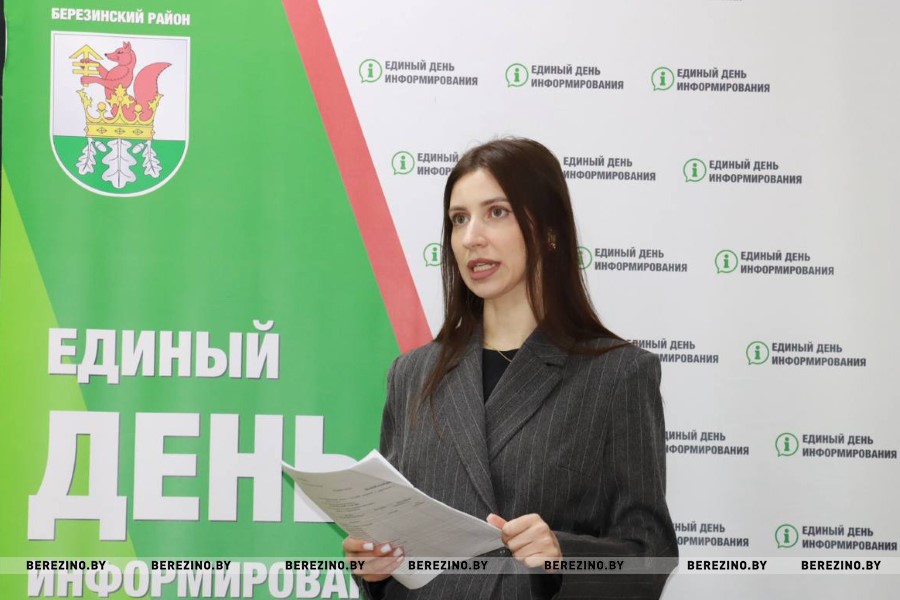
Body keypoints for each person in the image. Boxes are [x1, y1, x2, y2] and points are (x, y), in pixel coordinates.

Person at [344, 138, 677, 599]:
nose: (471, 238)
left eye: (496, 212)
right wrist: (373, 568)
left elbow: (650, 558)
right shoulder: (412, 375)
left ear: (549, 230)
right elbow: (394, 539)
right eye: (459, 219)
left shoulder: (617, 375)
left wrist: (562, 555)